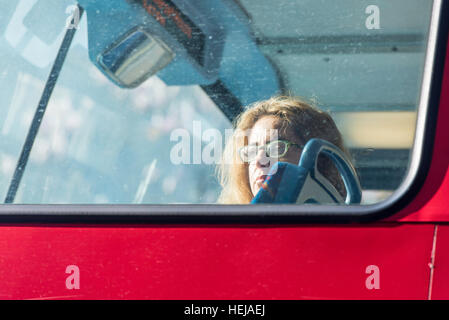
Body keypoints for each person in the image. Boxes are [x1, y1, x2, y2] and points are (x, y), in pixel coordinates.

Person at [217, 95, 351, 204]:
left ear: (320, 160)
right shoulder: (231, 230)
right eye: (251, 152)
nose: (259, 161)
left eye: (276, 148)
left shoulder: (342, 228)